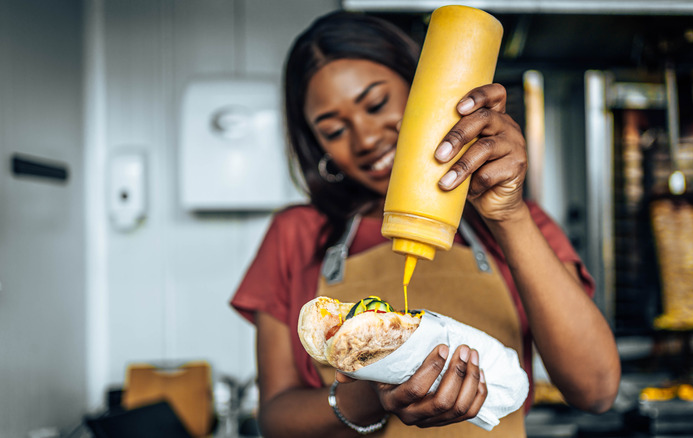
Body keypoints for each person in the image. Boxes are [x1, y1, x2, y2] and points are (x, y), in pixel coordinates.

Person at [231, 10, 620, 438]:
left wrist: (509, 217)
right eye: (334, 129)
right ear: (316, 144)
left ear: (420, 89)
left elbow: (596, 391)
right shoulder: (297, 234)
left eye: (377, 104)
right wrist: (373, 395)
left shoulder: (511, 221)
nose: (364, 138)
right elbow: (276, 419)